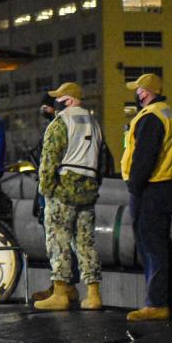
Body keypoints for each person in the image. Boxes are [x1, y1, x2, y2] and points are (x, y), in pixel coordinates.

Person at [33, 82, 103, 311]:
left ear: (70, 100)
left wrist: (46, 189)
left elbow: (49, 159)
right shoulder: (94, 123)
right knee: (85, 242)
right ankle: (93, 294)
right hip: (88, 190)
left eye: (60, 98)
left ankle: (60, 292)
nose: (56, 102)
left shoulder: (62, 122)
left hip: (63, 189)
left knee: (58, 240)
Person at [121, 73, 172, 321]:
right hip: (163, 188)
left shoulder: (151, 117)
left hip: (150, 189)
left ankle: (156, 304)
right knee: (161, 245)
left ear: (145, 92)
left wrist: (134, 186)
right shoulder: (166, 112)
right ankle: (165, 301)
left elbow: (144, 157)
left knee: (151, 247)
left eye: (138, 90)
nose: (136, 94)